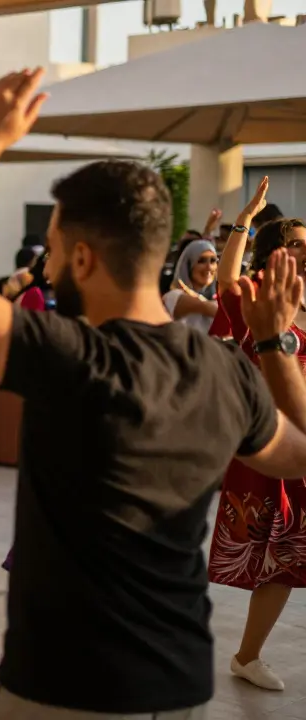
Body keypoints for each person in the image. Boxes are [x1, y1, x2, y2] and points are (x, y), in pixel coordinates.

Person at [0, 68, 306, 719]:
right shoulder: (225, 371)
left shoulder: (74, 358)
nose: (50, 263)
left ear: (84, 258)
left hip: (67, 692)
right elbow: (299, 454)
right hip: (178, 688)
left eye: (57, 246)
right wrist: (274, 345)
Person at [206, 180, 306, 692]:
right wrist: (246, 219)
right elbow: (226, 278)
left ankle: (246, 655)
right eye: (295, 244)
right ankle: (247, 656)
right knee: (280, 559)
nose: (305, 251)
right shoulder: (258, 303)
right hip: (270, 449)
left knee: (290, 558)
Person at [162, 240, 219, 333]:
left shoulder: (217, 298)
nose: (209, 267)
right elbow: (212, 310)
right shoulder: (174, 296)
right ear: (188, 265)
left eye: (213, 261)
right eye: (201, 261)